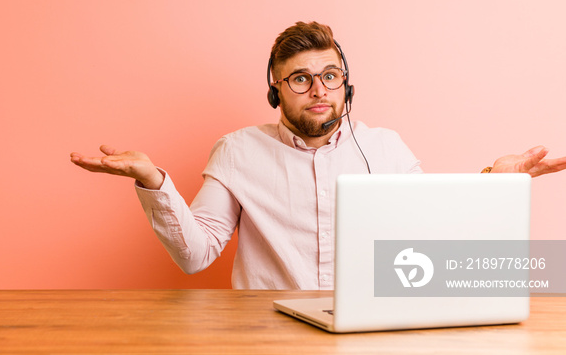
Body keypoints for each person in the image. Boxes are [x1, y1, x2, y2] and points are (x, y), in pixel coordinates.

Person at [70, 21, 566, 290]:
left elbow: (431, 232)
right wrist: (154, 180)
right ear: (275, 92)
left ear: (346, 84)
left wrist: (492, 181)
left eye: (329, 76)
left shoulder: (385, 148)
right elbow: (196, 256)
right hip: (265, 335)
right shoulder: (238, 150)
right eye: (300, 79)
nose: (318, 90)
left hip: (369, 332)